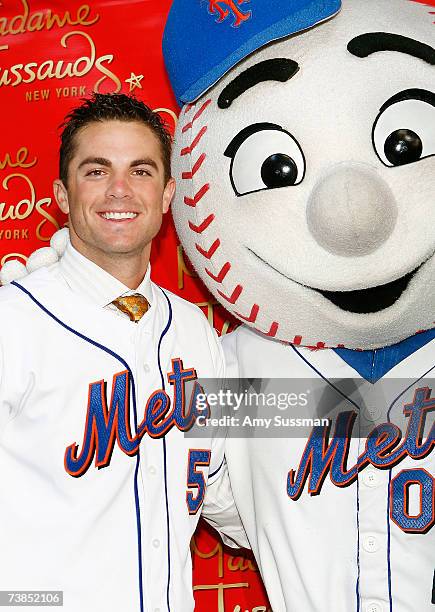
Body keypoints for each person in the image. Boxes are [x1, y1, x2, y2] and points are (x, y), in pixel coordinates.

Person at [0, 93, 247, 612]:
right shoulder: (13, 321)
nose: (120, 190)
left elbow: (223, 484)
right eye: (95, 171)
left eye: (140, 171)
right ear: (62, 196)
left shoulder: (193, 330)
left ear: (167, 195)